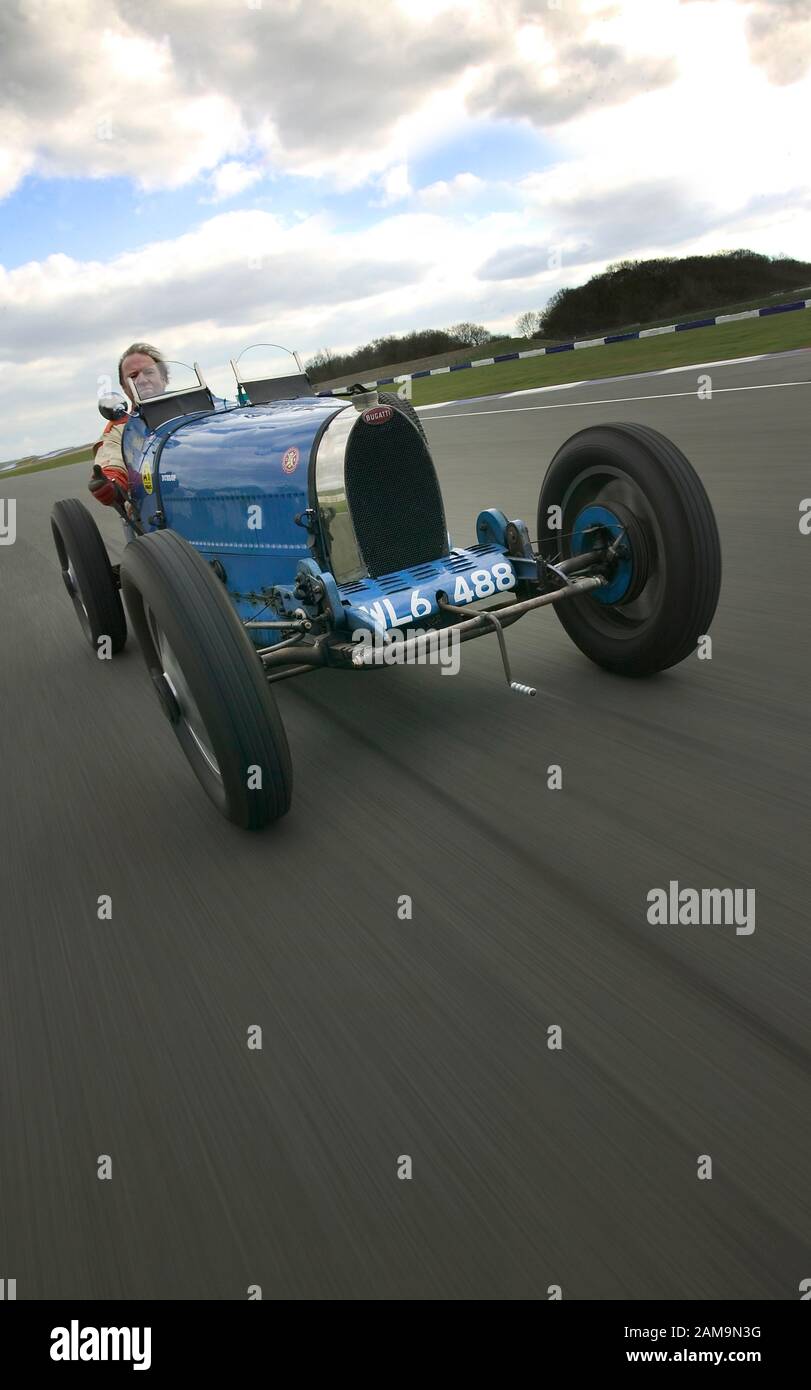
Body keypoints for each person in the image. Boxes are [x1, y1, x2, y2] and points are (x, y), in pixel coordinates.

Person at [88, 342, 169, 507]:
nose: (142, 380)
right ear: (124, 388)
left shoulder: (204, 406)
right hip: (154, 510)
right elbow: (112, 461)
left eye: (149, 372)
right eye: (133, 376)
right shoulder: (120, 429)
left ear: (163, 378)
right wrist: (110, 482)